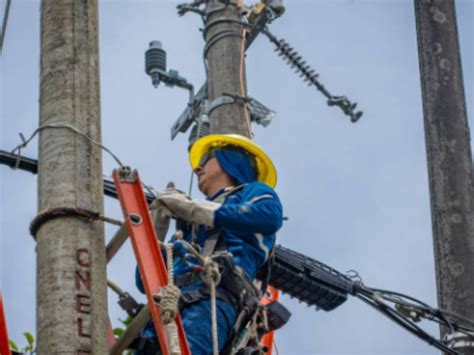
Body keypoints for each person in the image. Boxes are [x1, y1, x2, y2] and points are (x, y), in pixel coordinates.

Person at [134, 134, 283, 354]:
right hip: (167, 306)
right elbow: (143, 281)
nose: (197, 169)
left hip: (212, 297)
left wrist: (199, 210)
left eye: (205, 160)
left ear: (231, 160)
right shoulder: (188, 228)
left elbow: (269, 216)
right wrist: (156, 229)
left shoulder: (253, 192)